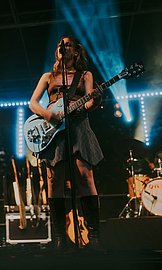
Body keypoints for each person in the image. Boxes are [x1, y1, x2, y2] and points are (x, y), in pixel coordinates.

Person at [29, 36, 104, 249]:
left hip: (79, 126)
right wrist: (47, 114)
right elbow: (32, 103)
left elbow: (89, 101)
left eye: (68, 44)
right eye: (60, 44)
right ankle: (60, 237)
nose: (63, 46)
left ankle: (94, 237)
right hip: (54, 130)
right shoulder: (48, 76)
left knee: (85, 177)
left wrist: (95, 101)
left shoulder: (85, 75)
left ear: (76, 51)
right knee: (55, 182)